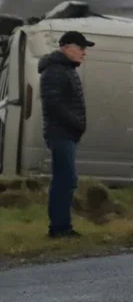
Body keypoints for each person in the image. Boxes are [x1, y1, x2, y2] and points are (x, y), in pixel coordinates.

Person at [38, 30, 93, 238]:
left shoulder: (65, 69)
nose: (84, 53)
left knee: (66, 178)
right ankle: (60, 228)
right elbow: (53, 104)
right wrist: (75, 123)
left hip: (66, 133)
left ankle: (62, 226)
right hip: (60, 133)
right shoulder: (55, 71)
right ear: (66, 47)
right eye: (80, 48)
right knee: (65, 179)